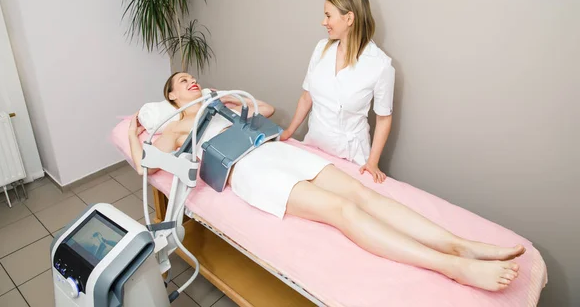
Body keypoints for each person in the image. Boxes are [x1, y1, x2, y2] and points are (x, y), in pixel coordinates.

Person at [127, 72, 525, 292]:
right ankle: (450, 265)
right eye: (182, 82)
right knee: (342, 210)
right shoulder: (176, 125)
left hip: (277, 151)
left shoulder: (220, 103)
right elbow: (149, 164)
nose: (191, 81)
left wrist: (222, 98)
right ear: (172, 98)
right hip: (250, 172)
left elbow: (263, 110)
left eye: (192, 77)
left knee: (361, 194)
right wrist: (135, 130)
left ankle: (461, 244)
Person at [280, 0, 394, 184]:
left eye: (328, 16)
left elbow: (384, 118)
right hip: (314, 147)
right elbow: (307, 96)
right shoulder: (322, 49)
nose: (324, 22)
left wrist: (373, 162)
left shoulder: (379, 65)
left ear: (349, 18)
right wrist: (289, 132)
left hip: (351, 158)